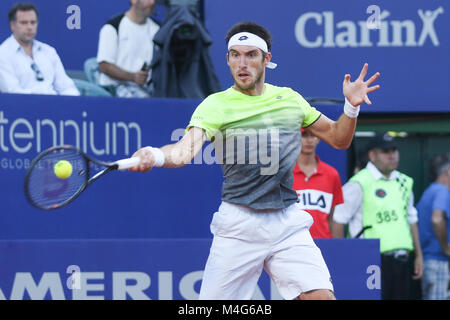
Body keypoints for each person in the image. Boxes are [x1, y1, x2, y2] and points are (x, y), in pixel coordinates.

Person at [129, 21, 380, 300]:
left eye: (250, 55)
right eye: (235, 55)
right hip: (239, 225)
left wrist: (351, 106)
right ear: (227, 59)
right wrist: (155, 154)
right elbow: (183, 152)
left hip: (286, 221)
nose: (242, 63)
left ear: (266, 59)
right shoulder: (215, 105)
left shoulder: (289, 100)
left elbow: (338, 139)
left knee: (321, 298)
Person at [332, 132, 423, 300]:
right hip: (369, 260)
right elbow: (338, 219)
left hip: (401, 260)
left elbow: (411, 219)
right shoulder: (359, 182)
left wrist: (419, 255)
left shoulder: (404, 182)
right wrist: (342, 257)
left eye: (394, 150)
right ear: (372, 155)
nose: (392, 155)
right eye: (385, 151)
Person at [0, 2, 79, 96]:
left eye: (33, 22)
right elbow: (12, 92)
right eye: (24, 23)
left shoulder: (49, 51)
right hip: (22, 109)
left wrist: (73, 101)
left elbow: (66, 87)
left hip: (55, 107)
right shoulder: (3, 54)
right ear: (12, 25)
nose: (29, 27)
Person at [96, 0, 160, 98]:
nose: (152, 3)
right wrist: (133, 77)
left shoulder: (159, 29)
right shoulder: (112, 27)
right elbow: (104, 66)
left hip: (149, 92)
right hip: (114, 92)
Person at [292, 129, 344, 238]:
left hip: (324, 243)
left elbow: (334, 219)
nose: (309, 140)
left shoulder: (331, 174)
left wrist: (338, 248)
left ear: (319, 138)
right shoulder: (285, 173)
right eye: (304, 135)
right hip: (292, 244)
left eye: (313, 135)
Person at [417, 153, 450, 300]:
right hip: (437, 262)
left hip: (429, 262)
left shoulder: (429, 192)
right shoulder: (442, 191)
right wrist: (446, 248)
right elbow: (437, 219)